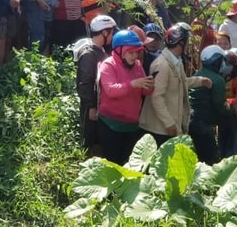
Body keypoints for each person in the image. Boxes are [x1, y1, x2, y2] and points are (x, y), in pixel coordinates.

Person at [140, 25, 212, 147]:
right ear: (180, 43)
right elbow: (156, 98)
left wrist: (200, 81)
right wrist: (169, 123)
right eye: (187, 41)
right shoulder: (162, 65)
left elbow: (180, 83)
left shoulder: (176, 61)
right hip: (159, 128)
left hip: (169, 126)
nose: (189, 45)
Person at [97, 30, 154, 165]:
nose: (134, 56)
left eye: (136, 52)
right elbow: (110, 90)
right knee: (113, 166)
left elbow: (145, 92)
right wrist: (133, 84)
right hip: (111, 125)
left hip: (132, 126)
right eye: (130, 52)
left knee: (129, 166)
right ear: (119, 50)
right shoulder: (108, 64)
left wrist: (149, 86)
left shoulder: (138, 65)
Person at [74, 15, 117, 157]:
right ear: (104, 32)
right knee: (89, 139)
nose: (112, 35)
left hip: (101, 103)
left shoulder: (101, 51)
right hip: (91, 106)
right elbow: (83, 83)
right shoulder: (88, 54)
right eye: (111, 32)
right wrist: (91, 106)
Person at [188, 45, 234, 165]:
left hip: (189, 122)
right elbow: (219, 106)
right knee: (209, 162)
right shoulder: (218, 80)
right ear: (217, 61)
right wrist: (233, 109)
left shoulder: (197, 73)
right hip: (204, 126)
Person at [217, 50, 237, 158]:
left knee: (231, 146)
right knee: (221, 143)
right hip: (224, 115)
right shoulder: (220, 77)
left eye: (227, 63)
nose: (223, 65)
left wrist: (229, 101)